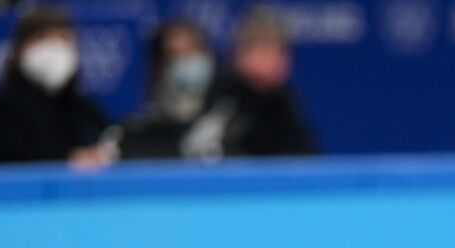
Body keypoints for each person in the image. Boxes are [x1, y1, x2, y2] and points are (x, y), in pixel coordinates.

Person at [0, 5, 112, 165]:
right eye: (43, 38)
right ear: (21, 48)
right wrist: (69, 158)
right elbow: (12, 157)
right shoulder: (2, 105)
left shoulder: (81, 106)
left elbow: (111, 138)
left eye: (63, 38)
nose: (55, 48)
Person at [205, 5, 319, 157]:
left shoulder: (282, 97)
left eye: (275, 47)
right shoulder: (217, 92)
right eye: (256, 44)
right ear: (237, 51)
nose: (266, 56)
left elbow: (306, 156)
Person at [120, 18, 220, 160]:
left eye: (193, 51)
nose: (188, 62)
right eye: (176, 54)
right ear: (159, 65)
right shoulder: (138, 132)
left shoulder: (232, 124)